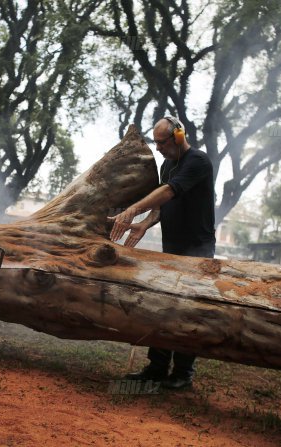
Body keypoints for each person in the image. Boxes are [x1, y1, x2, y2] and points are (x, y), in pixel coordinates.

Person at [108, 116, 216, 390]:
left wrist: (132, 209)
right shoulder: (169, 165)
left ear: (179, 138)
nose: (158, 149)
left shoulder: (198, 162)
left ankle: (183, 373)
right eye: (155, 143)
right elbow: (162, 205)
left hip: (197, 252)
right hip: (172, 249)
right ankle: (156, 368)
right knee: (164, 306)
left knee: (188, 311)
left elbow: (168, 192)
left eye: (162, 143)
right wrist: (144, 223)